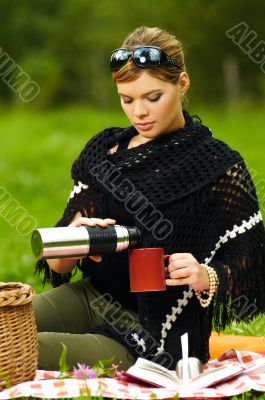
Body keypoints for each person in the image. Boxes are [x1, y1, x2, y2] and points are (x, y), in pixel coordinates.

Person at [33, 26, 265, 371]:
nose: (139, 111)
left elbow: (252, 261)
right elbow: (57, 266)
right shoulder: (105, 152)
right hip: (89, 297)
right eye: (127, 99)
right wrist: (77, 238)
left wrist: (206, 275)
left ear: (181, 83)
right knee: (8, 330)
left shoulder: (216, 165)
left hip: (152, 332)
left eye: (152, 97)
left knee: (18, 349)